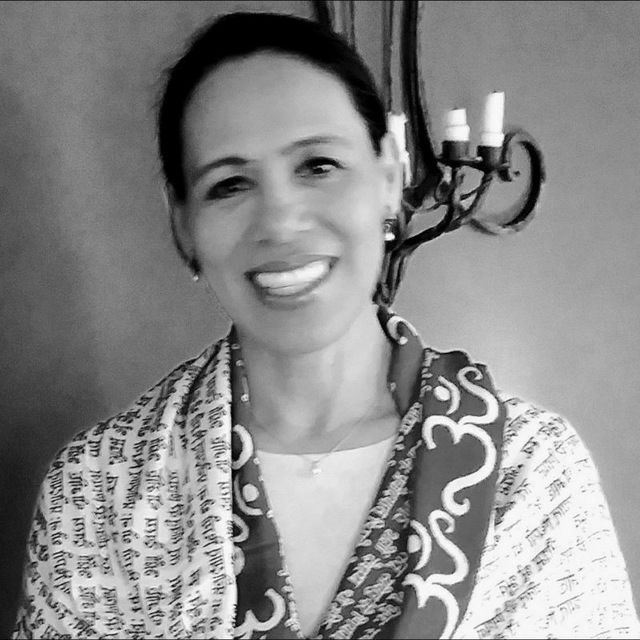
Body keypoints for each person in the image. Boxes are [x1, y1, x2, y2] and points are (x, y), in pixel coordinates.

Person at [12, 11, 639, 640]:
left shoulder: (532, 473)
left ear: (389, 178)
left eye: (317, 165)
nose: (280, 221)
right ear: (184, 226)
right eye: (229, 184)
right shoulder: (98, 489)